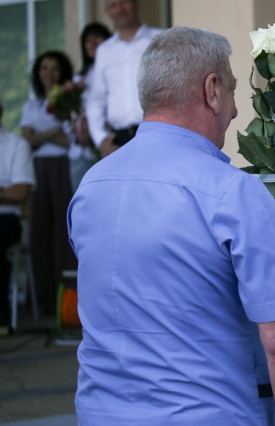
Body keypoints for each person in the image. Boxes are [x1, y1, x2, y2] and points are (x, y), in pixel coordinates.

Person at [68, 26, 275, 424]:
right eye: (233, 92)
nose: (235, 112)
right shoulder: (234, 192)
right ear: (212, 90)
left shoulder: (91, 185)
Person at [20, 50, 77, 315]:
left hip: (63, 166)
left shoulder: (71, 103)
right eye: (44, 68)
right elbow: (27, 140)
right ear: (38, 73)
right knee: (40, 230)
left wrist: (41, 135)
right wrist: (55, 131)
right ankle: (42, 298)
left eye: (54, 68)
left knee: (63, 231)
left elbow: (70, 143)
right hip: (38, 169)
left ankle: (66, 298)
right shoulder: (31, 106)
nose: (49, 73)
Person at [86, 0, 163, 158]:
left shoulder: (160, 39)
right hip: (119, 141)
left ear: (137, 4)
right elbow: (96, 101)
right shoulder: (104, 51)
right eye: (113, 5)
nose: (119, 9)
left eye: (124, 3)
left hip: (158, 134)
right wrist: (101, 140)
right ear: (108, 12)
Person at [0, 102, 36, 334]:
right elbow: (10, 192)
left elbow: (20, 192)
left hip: (7, 219)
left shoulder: (17, 145)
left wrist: (6, 195)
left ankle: (2, 315)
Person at [69, 22, 112, 193]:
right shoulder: (78, 78)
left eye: (97, 38)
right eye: (88, 40)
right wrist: (79, 129)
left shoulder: (114, 73)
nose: (93, 43)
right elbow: (70, 113)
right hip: (80, 150)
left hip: (108, 145)